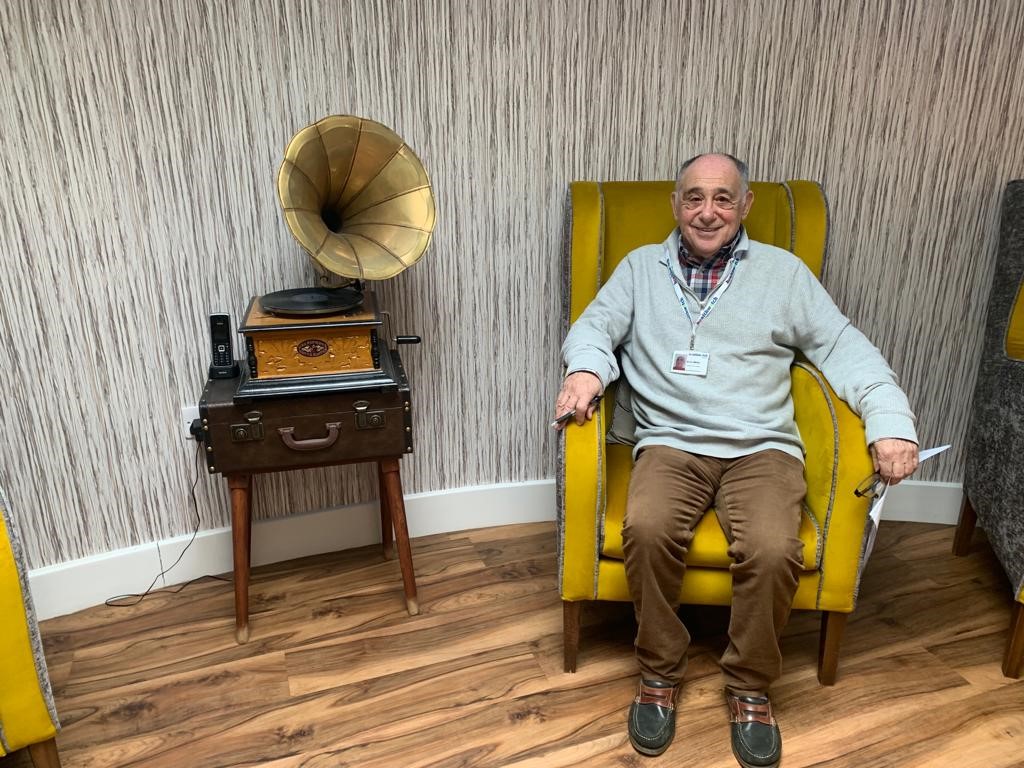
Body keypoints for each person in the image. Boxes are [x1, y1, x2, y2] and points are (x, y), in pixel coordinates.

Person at [553, 153, 919, 767]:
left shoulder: (784, 274)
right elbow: (594, 326)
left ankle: (749, 685)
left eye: (722, 198)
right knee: (644, 529)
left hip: (761, 447)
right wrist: (586, 371)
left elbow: (845, 348)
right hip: (671, 439)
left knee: (776, 549)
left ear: (745, 206)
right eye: (694, 197)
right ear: (676, 204)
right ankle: (660, 670)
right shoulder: (641, 268)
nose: (707, 211)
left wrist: (890, 423)